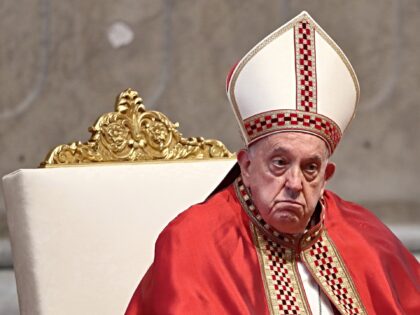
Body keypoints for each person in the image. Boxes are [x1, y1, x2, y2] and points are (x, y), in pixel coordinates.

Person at [125, 11, 420, 315]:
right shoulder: (193, 242)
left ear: (326, 176)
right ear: (247, 166)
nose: (294, 183)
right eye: (279, 163)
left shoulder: (367, 238)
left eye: (310, 168)